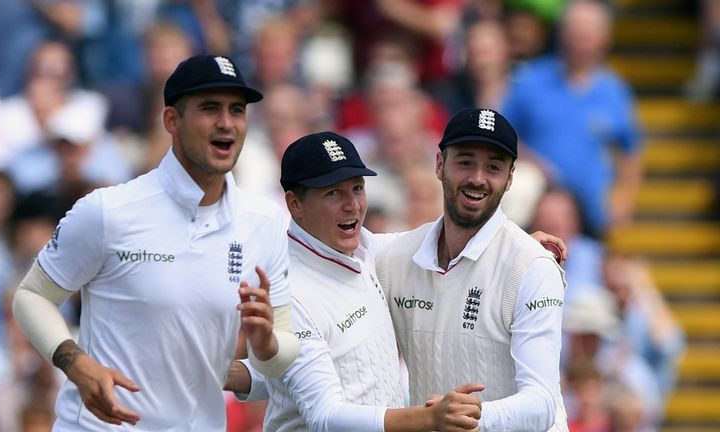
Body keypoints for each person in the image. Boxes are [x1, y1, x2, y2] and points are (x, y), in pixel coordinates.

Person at [10, 54, 299, 431]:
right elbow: (31, 296)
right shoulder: (108, 210)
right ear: (171, 121)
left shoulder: (266, 222)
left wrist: (266, 347)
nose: (226, 123)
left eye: (237, 110)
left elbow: (284, 351)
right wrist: (76, 363)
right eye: (210, 108)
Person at [225, 129, 568, 431]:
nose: (352, 206)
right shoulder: (291, 285)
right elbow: (325, 415)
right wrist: (429, 420)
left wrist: (514, 252)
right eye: (332, 193)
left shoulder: (367, 252)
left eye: (357, 188)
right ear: (294, 205)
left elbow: (291, 371)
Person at [375, 108, 569, 431]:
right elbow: (328, 246)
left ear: (510, 179)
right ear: (439, 165)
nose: (477, 178)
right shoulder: (393, 256)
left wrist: (469, 418)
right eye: (465, 161)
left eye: (493, 167)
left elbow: (542, 402)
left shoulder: (533, 267)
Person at [501, 0, 643, 237]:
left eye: (587, 35)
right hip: (535, 211)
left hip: (592, 216)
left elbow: (631, 149)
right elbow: (503, 133)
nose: (580, 42)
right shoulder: (531, 79)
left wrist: (624, 198)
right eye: (575, 33)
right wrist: (534, 163)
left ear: (604, 39)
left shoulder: (614, 90)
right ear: (562, 34)